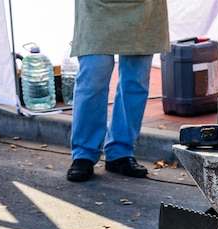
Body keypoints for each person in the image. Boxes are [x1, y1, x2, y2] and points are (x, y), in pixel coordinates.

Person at [66, 0, 169, 182]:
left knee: (136, 80)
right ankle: (84, 153)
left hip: (144, 6)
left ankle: (120, 150)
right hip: (96, 6)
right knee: (93, 74)